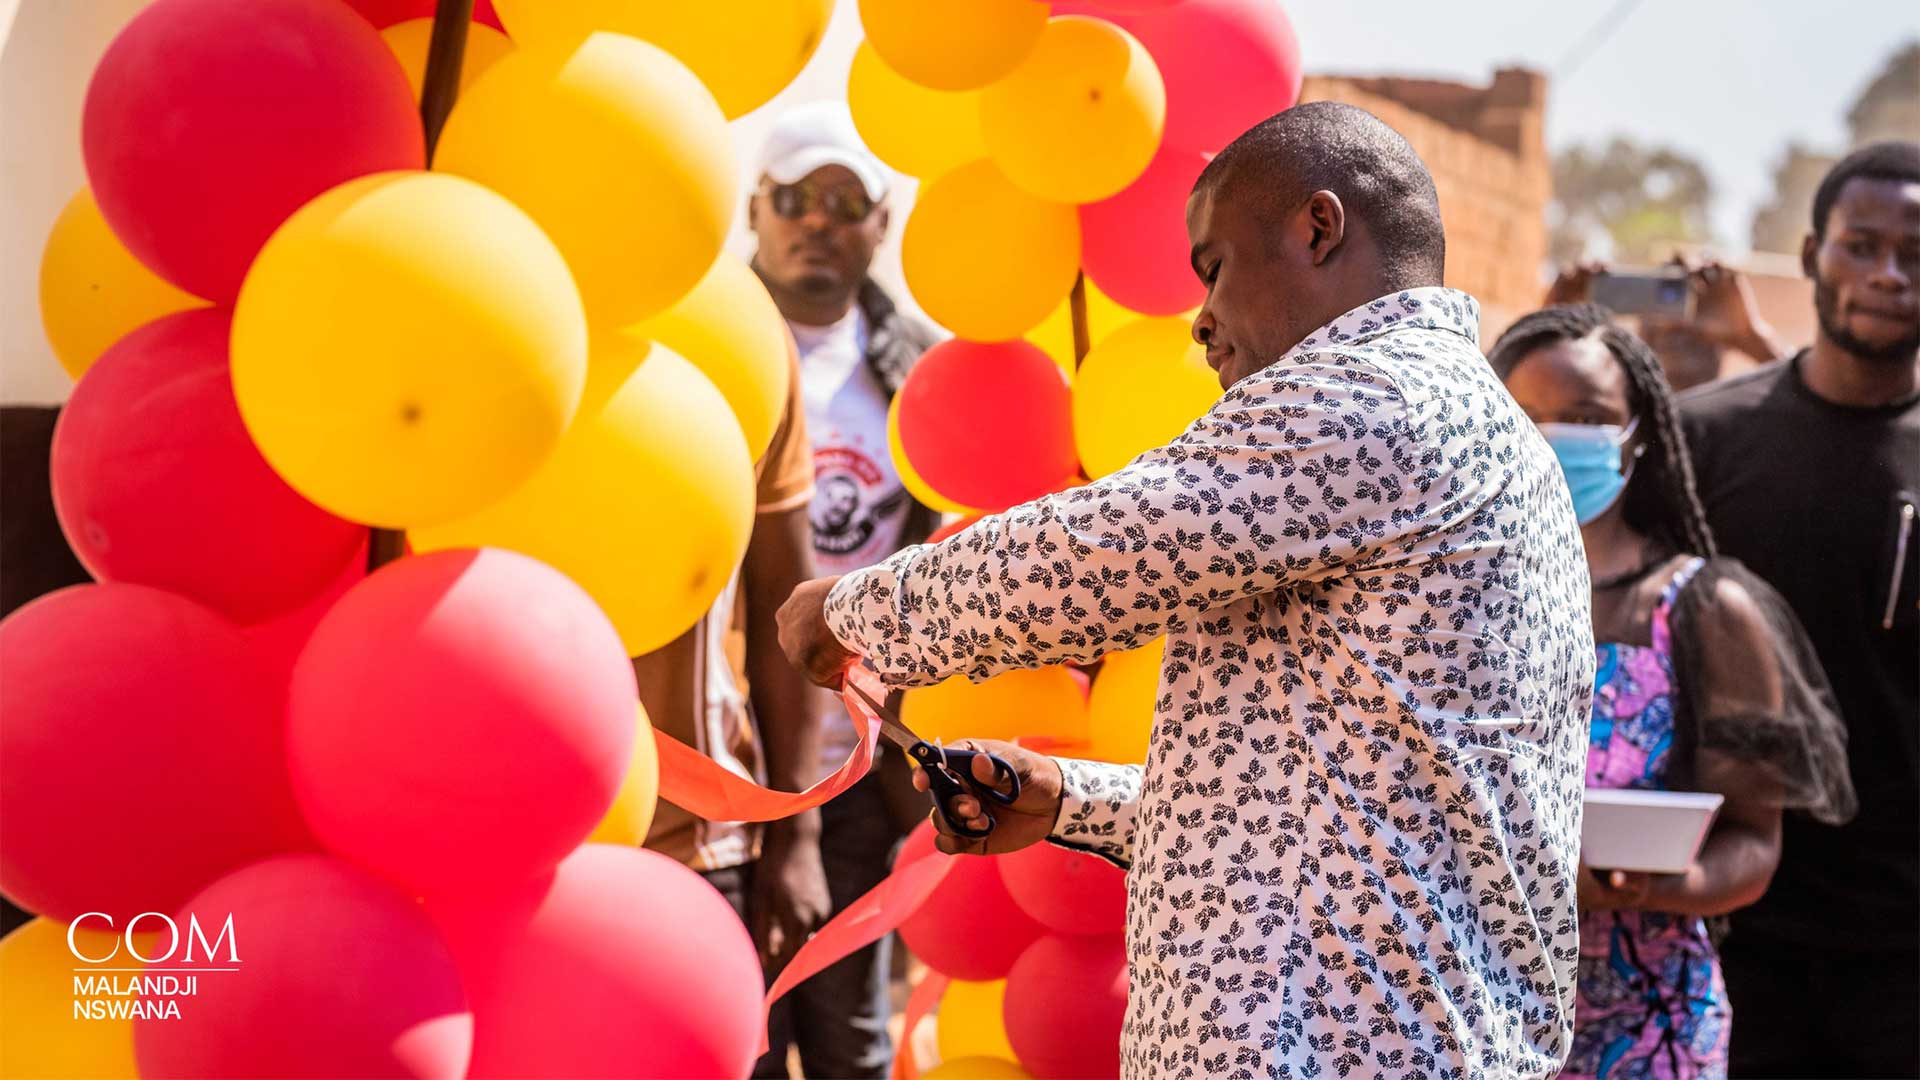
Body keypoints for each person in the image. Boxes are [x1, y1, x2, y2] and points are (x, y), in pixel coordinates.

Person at [779, 101, 1596, 1079]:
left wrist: (855, 613)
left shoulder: (1373, 397)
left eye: (1214, 267)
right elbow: (1342, 818)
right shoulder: (1467, 421)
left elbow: (1096, 557)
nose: (1202, 319)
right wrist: (1071, 801)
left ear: (1318, 228)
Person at [1490, 304, 1855, 1080]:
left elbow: (1755, 845)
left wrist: (1650, 886)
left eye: (1586, 417)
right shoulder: (1444, 605)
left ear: (1638, 436)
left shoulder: (1704, 611)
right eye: (1526, 416)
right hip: (1472, 1018)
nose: (1554, 438)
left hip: (1646, 1029)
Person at [1676, 141, 1920, 1078]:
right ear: (1815, 253)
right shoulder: (1705, 439)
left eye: (1913, 252)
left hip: (1901, 952)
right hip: (1728, 928)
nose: (1887, 275)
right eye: (1861, 246)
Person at [742, 101, 943, 1079]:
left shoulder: (928, 379)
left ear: (882, 222)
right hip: (728, 771)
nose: (817, 218)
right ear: (754, 213)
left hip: (863, 774)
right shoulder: (707, 352)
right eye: (794, 197)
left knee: (852, 1050)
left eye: (844, 198)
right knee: (736, 1039)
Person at [631, 298, 831, 1078]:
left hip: (700, 845)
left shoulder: (736, 324)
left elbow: (789, 596)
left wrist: (798, 836)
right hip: (484, 848)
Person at [1543, 260, 1787, 392]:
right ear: (1638, 334)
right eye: (1662, 298)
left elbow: (1818, 409)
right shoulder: (1607, 420)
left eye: (1693, 305)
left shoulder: (1744, 422)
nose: (1673, 324)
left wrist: (1752, 337)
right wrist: (1549, 326)